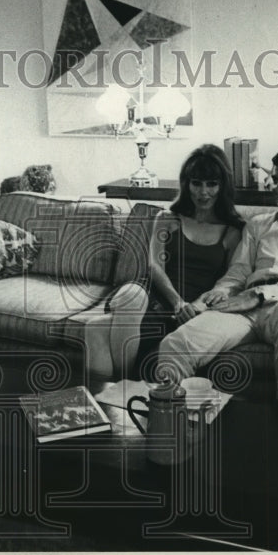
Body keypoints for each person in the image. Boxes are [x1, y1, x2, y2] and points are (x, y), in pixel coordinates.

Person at [156, 145, 278, 404]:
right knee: (174, 345)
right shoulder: (258, 224)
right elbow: (238, 271)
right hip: (246, 308)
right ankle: (175, 422)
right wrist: (219, 292)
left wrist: (261, 294)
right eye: (276, 180)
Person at [85, 144, 244, 379]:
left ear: (223, 187)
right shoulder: (167, 218)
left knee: (94, 329)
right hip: (155, 297)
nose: (203, 192)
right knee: (129, 297)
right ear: (186, 184)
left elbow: (229, 281)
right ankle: (126, 384)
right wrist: (176, 301)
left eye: (212, 184)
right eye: (196, 183)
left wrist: (195, 306)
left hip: (193, 309)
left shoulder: (232, 230)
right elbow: (154, 265)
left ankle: (112, 399)